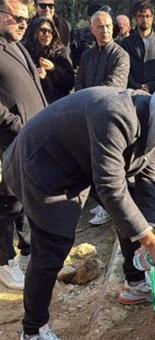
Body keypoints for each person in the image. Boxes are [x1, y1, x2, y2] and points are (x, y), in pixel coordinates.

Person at [3, 79, 155, 339]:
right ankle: (33, 330)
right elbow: (110, 186)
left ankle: (135, 285)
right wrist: (149, 239)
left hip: (78, 162)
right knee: (53, 245)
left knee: (132, 211)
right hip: (40, 164)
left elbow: (146, 182)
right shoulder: (116, 115)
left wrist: (148, 231)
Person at [0, 0, 47, 291]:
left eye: (26, 20)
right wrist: (14, 123)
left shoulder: (15, 44)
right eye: (18, 18)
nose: (23, 25)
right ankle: (5, 264)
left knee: (26, 201)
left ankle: (29, 254)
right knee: (8, 202)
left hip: (31, 137)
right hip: (9, 139)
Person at [121, 0, 155, 93]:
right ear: (135, 18)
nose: (145, 19)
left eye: (148, 16)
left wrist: (151, 86)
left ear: (152, 17)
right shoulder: (126, 43)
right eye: (141, 16)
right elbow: (123, 68)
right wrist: (137, 86)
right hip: (131, 93)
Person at [75, 10, 129, 91]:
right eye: (100, 26)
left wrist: (86, 96)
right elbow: (78, 82)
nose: (105, 31)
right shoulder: (86, 55)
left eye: (108, 26)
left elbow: (113, 87)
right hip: (85, 102)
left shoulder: (121, 55)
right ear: (92, 29)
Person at [24, 16, 74, 103]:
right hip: (35, 103)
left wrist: (53, 69)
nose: (47, 34)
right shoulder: (26, 52)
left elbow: (69, 83)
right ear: (34, 32)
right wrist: (38, 77)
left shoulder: (60, 52)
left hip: (58, 103)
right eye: (42, 30)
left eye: (50, 31)